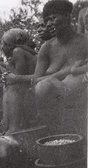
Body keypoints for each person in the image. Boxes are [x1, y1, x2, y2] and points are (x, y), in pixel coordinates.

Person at [6, 0, 88, 134]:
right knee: (43, 86)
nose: (49, 24)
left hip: (80, 102)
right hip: (52, 107)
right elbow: (36, 80)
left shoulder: (85, 42)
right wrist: (62, 73)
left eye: (53, 18)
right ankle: (56, 134)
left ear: (67, 16)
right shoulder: (47, 48)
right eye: (47, 20)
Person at [1, 28, 37, 135]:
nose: (1, 47)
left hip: (32, 83)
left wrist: (9, 69)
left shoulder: (18, 51)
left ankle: (13, 126)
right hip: (31, 82)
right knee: (7, 87)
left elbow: (18, 78)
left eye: (3, 44)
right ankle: (7, 125)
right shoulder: (23, 52)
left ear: (10, 45)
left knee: (11, 88)